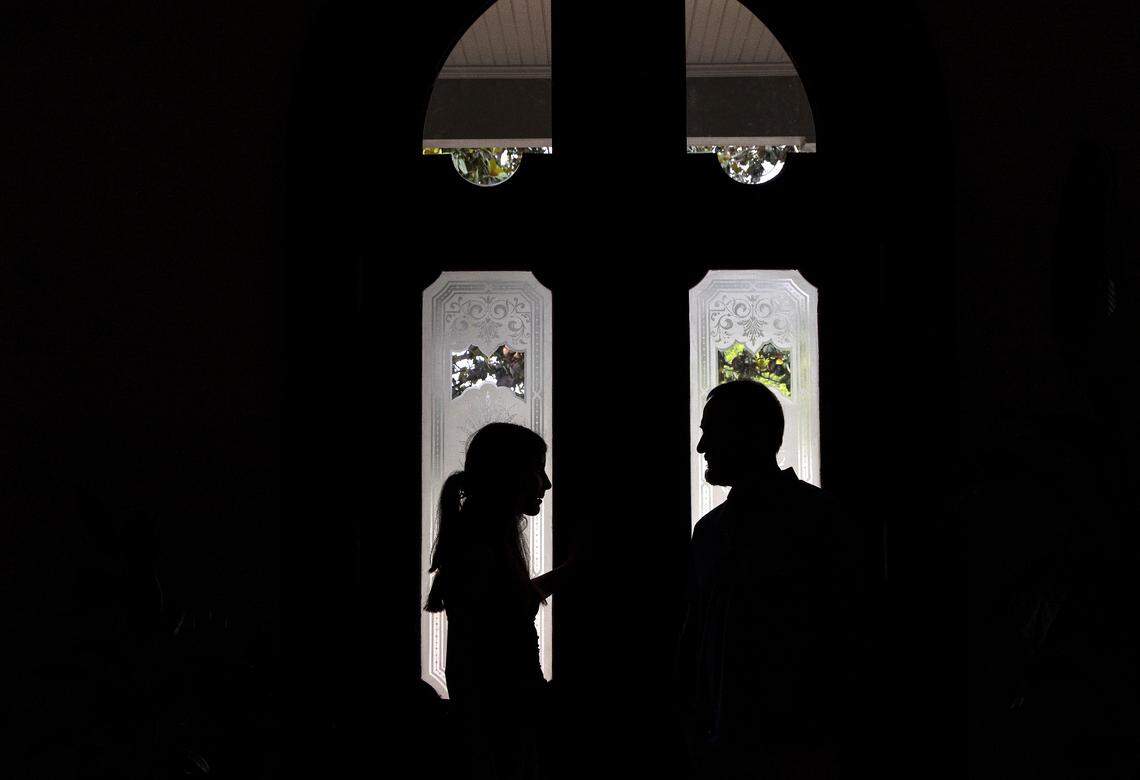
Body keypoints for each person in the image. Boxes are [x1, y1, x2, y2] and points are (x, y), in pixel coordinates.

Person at [676, 381, 865, 779]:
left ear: (751, 435)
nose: (701, 447)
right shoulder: (819, 516)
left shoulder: (813, 521)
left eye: (710, 432)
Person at [424, 422, 572, 780]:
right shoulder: (481, 544)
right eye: (538, 469)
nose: (547, 483)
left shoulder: (477, 538)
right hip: (500, 727)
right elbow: (502, 623)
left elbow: (507, 604)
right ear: (510, 474)